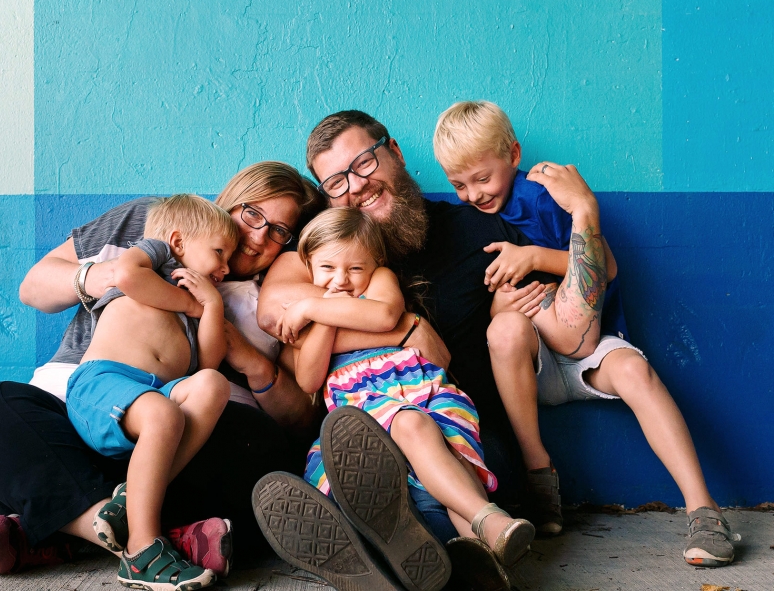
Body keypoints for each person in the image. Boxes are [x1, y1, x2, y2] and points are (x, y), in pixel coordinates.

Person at [253, 111, 589, 591]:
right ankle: (457, 562)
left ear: (394, 152)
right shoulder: (330, 243)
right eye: (337, 181)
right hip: (361, 432)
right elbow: (276, 314)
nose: (356, 185)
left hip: (461, 429)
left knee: (410, 471)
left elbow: (576, 314)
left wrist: (581, 219)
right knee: (356, 471)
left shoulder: (477, 229)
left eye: (364, 162)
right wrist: (405, 332)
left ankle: (394, 558)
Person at [0, 162, 323, 576]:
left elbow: (300, 419)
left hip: (184, 443)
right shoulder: (151, 224)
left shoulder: (279, 292)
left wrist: (247, 356)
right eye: (251, 214)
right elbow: (33, 288)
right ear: (229, 201)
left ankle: (67, 530)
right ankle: (151, 539)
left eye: (279, 231)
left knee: (266, 452)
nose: (257, 237)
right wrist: (111, 277)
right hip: (72, 422)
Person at [433, 99, 740, 567]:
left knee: (636, 372)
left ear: (513, 154)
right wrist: (500, 302)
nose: (473, 194)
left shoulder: (541, 197)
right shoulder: (472, 221)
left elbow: (607, 267)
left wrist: (535, 256)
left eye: (482, 178)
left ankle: (704, 509)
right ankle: (538, 475)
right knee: (505, 328)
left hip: (588, 346)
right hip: (533, 358)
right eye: (459, 184)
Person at [284, 208, 534, 570]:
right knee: (394, 471)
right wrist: (324, 313)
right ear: (308, 266)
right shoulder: (319, 313)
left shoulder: (379, 281)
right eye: (327, 268)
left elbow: (386, 315)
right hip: (361, 416)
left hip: (421, 393)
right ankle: (482, 556)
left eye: (355, 268)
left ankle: (487, 530)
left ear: (375, 263)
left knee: (439, 449)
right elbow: (308, 379)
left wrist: (313, 307)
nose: (341, 280)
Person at [66, 194, 238, 590]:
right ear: (178, 242)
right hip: (102, 383)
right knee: (163, 413)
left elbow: (208, 362)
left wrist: (211, 306)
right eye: (219, 252)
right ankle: (141, 551)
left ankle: (128, 503)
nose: (226, 268)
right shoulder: (156, 257)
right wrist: (190, 305)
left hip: (157, 396)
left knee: (213, 385)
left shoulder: (199, 302)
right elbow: (126, 276)